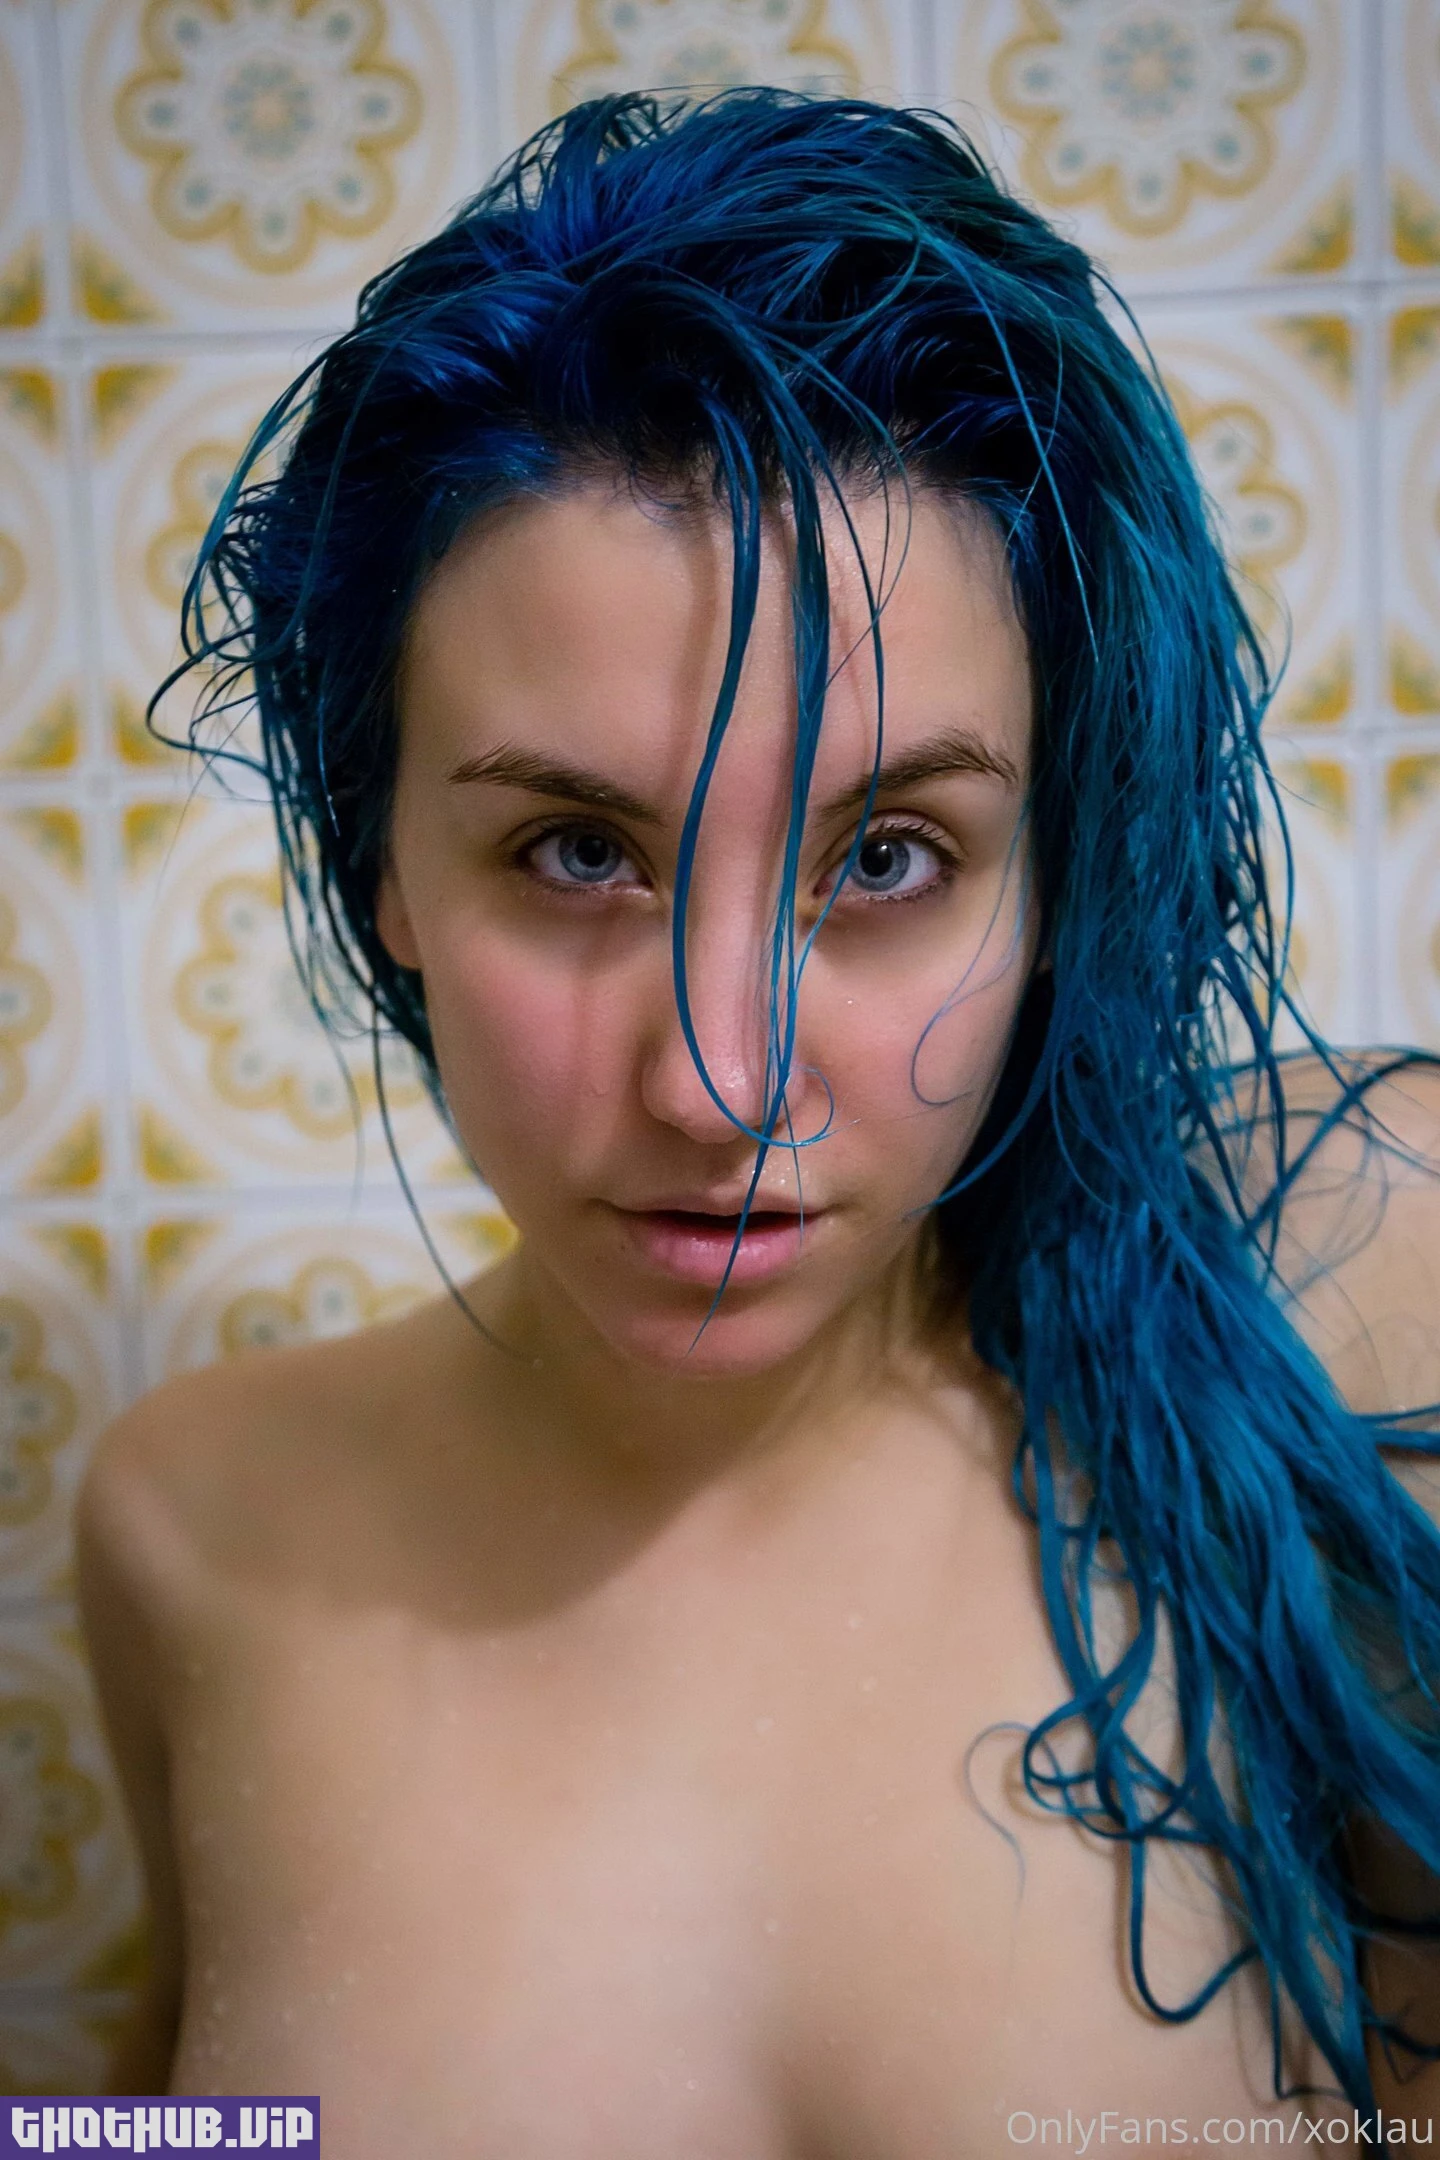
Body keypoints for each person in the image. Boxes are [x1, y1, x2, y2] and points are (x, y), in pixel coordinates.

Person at [76, 90, 1440, 2152]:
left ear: (1052, 877)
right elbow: (178, 2122)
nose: (720, 1079)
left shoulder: (1345, 1310)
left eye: (889, 857)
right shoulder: (196, 1523)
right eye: (573, 853)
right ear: (384, 870)